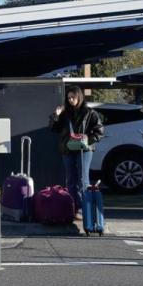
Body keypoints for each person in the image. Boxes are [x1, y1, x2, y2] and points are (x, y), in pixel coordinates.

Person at [49, 84, 104, 217]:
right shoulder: (64, 113)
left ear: (79, 97)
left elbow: (99, 131)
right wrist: (55, 116)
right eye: (68, 98)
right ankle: (73, 207)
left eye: (73, 97)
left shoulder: (90, 113)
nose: (70, 100)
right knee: (70, 179)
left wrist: (86, 141)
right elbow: (53, 129)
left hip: (84, 150)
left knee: (82, 178)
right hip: (68, 149)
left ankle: (84, 208)